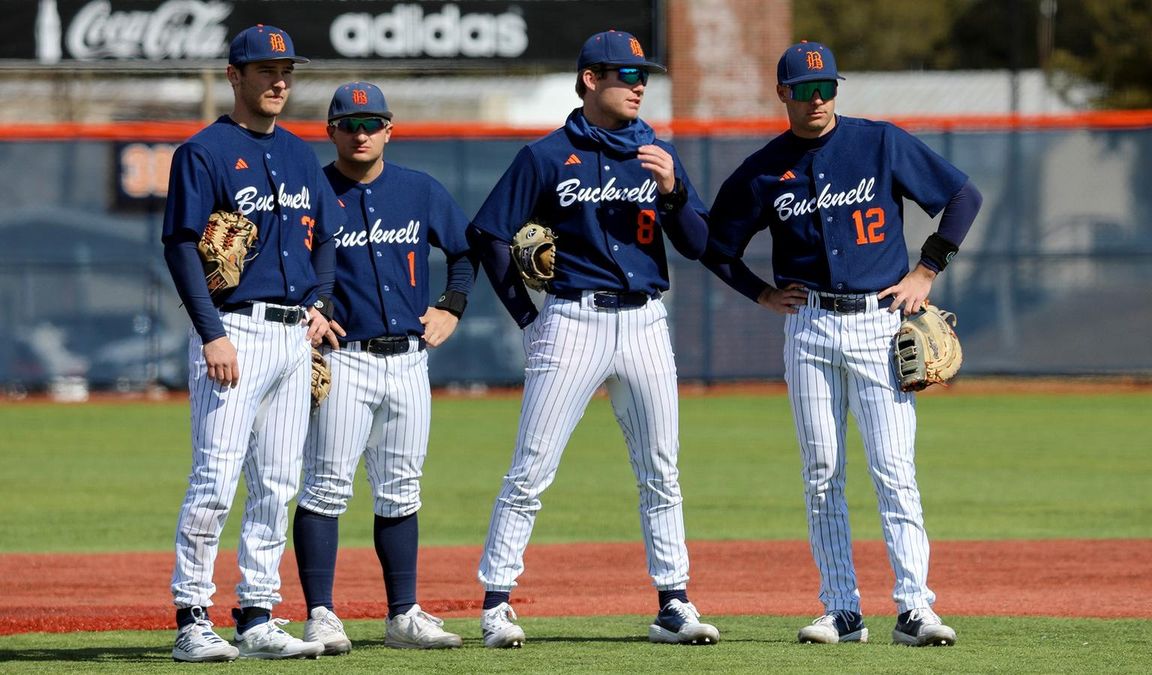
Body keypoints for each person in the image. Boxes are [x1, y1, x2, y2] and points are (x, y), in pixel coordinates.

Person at [702, 41, 982, 647]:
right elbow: (715, 245)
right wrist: (759, 293)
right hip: (808, 328)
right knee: (822, 470)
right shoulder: (762, 169)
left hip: (880, 321)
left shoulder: (879, 142)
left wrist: (926, 273)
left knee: (893, 468)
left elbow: (963, 198)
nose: (819, 97)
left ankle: (915, 608)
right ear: (783, 94)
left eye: (828, 85)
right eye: (805, 89)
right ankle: (842, 609)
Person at [467, 30, 718, 648]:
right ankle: (497, 604)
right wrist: (528, 318)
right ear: (589, 80)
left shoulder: (656, 150)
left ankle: (675, 602)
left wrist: (675, 192)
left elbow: (697, 242)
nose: (638, 85)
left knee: (661, 469)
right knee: (532, 468)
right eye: (624, 74)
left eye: (643, 75)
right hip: (571, 319)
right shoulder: (547, 156)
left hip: (645, 322)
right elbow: (488, 233)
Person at [161, 24, 340, 662]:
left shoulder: (297, 154)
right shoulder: (203, 152)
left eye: (286, 69)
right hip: (233, 329)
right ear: (236, 76)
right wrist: (211, 332)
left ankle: (258, 613)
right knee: (215, 476)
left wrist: (319, 304)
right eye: (266, 70)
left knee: (277, 481)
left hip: (294, 336)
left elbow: (325, 238)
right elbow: (181, 244)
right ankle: (191, 617)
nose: (279, 80)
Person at [291, 81, 477, 654]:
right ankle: (321, 614)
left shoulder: (418, 191)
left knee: (401, 491)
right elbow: (284, 263)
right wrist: (308, 313)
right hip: (344, 361)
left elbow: (465, 253)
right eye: (349, 124)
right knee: (325, 490)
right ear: (331, 132)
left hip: (409, 362)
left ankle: (403, 616)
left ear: (390, 129)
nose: (361, 132)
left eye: (372, 123)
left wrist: (452, 306)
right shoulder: (310, 191)